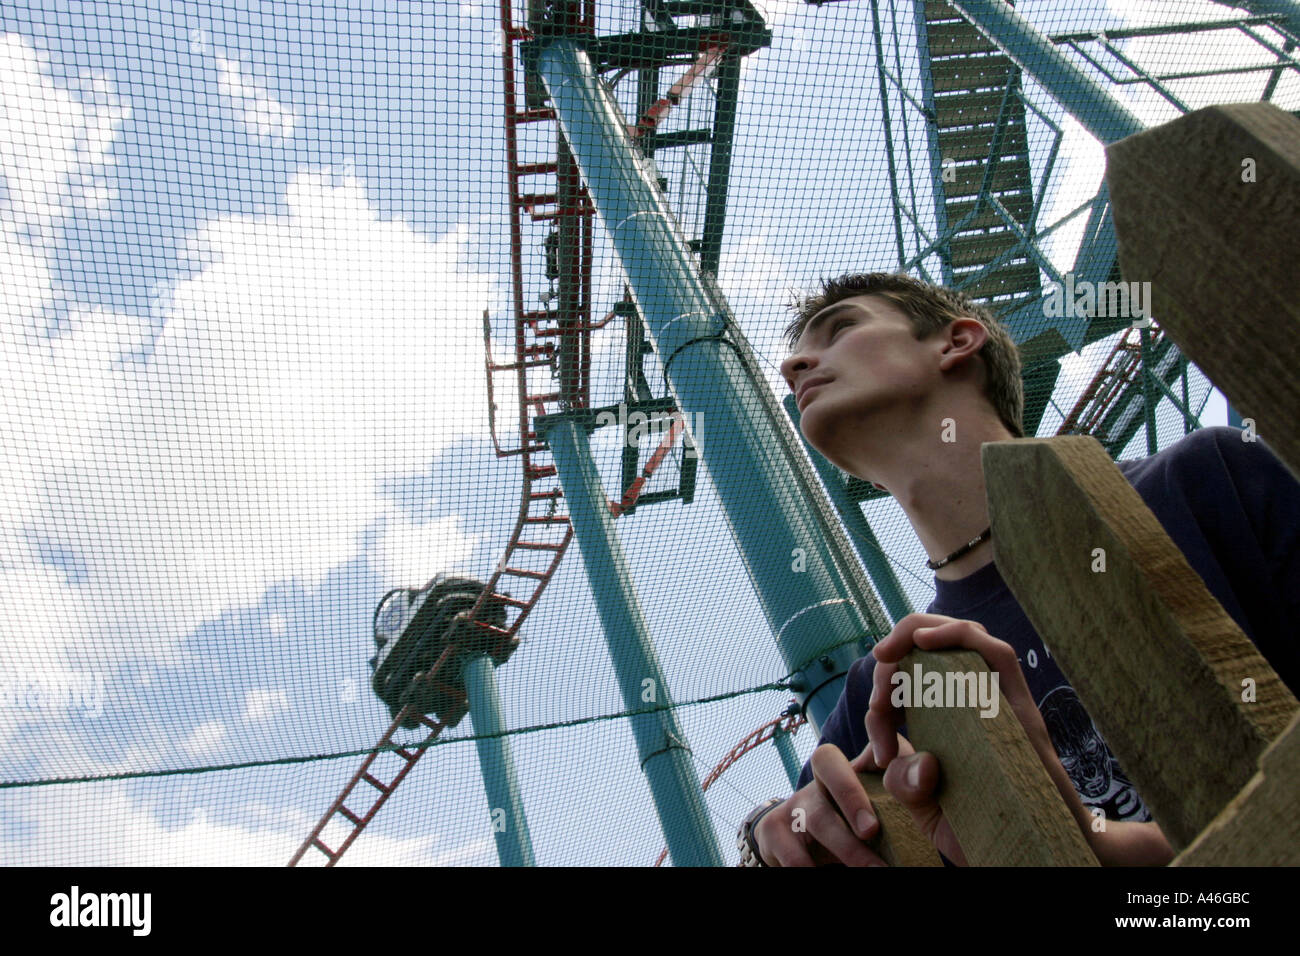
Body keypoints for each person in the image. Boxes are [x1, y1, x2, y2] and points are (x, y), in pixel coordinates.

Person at [736, 271, 1300, 867]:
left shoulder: (1205, 482)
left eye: (843, 328)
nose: (794, 364)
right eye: (798, 353)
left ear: (956, 342)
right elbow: (801, 827)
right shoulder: (877, 691)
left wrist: (1097, 847)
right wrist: (767, 834)